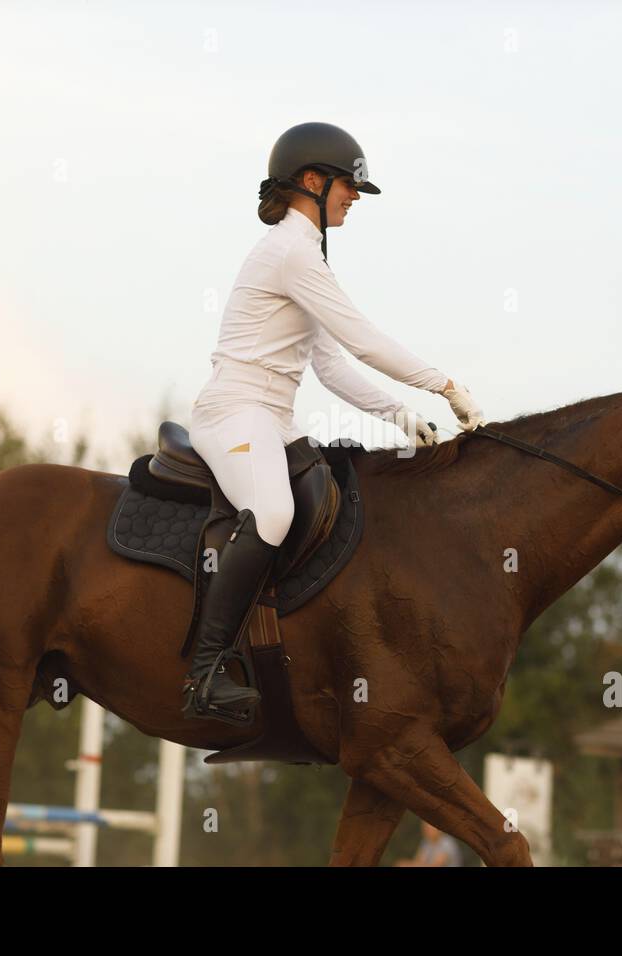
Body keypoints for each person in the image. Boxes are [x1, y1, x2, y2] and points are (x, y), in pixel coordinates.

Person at [181, 121, 487, 722]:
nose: (353, 198)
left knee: (331, 489)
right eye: (349, 186)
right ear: (313, 182)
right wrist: (444, 386)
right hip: (234, 412)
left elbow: (329, 365)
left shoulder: (304, 256)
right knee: (273, 512)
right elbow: (363, 339)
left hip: (273, 416)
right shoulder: (291, 251)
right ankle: (203, 673)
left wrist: (400, 415)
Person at [395, 822, 464, 867]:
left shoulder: (447, 843)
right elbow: (418, 861)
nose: (426, 831)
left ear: (438, 829)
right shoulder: (426, 842)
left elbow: (436, 865)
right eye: (425, 829)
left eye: (429, 829)